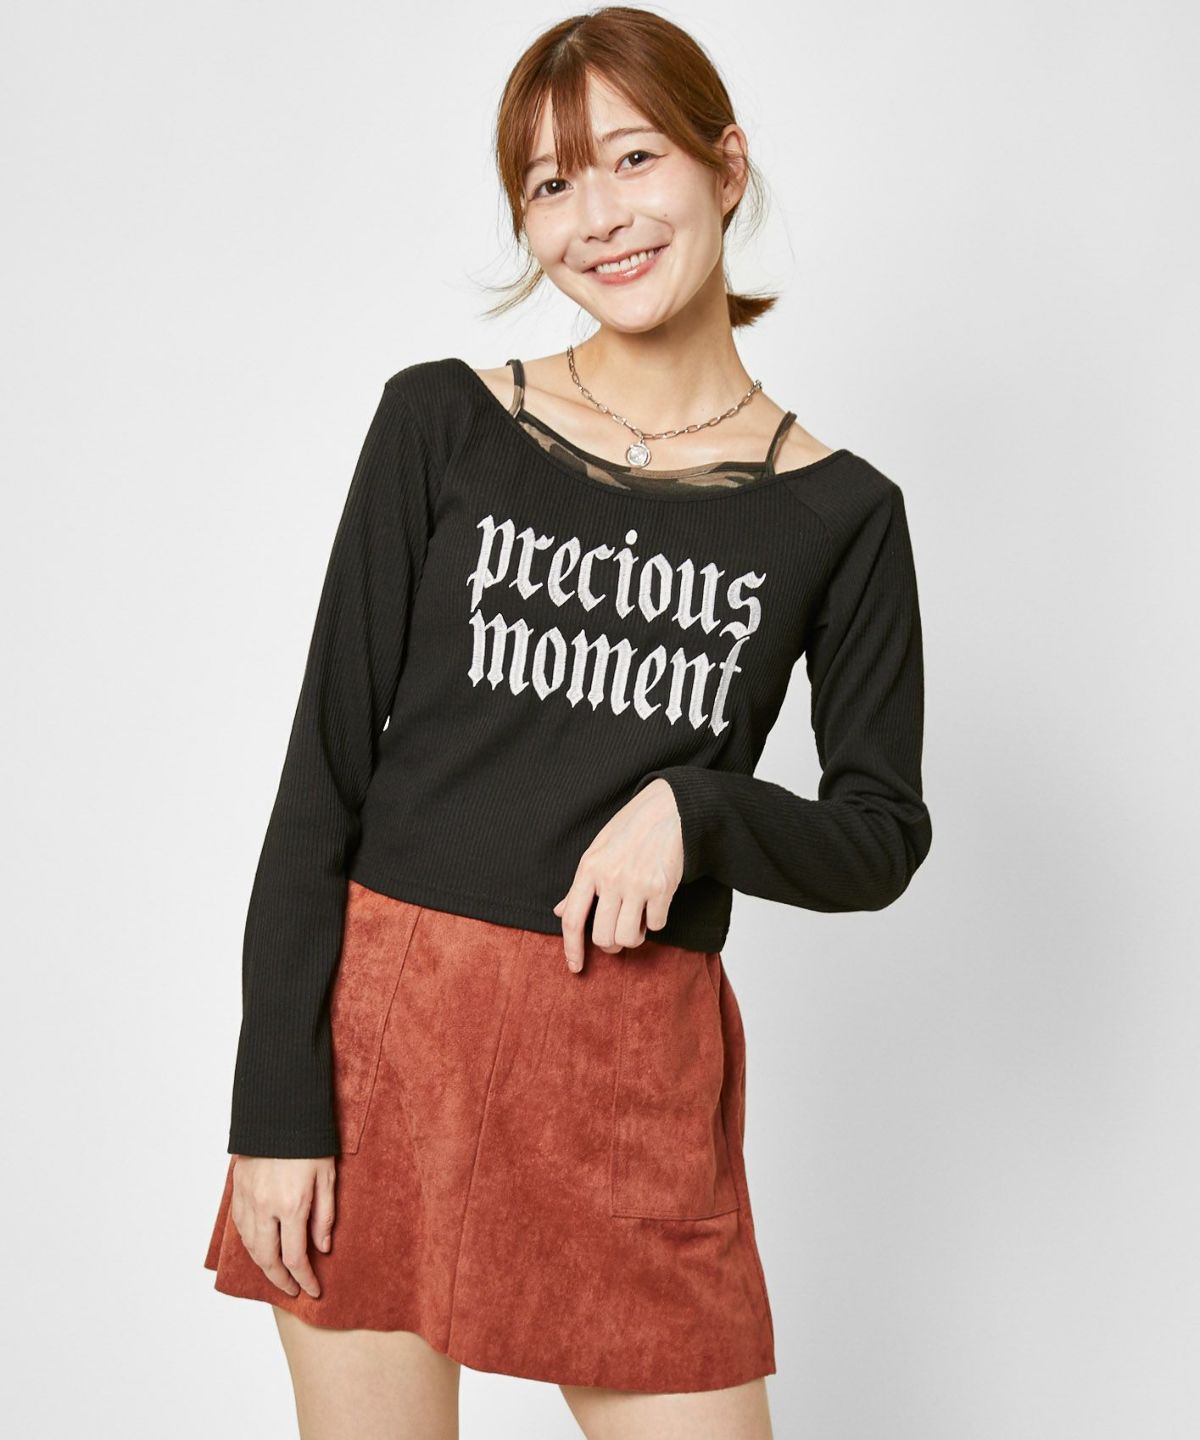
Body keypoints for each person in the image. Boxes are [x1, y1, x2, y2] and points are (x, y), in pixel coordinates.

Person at [202, 7, 933, 1438]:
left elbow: (880, 835)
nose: (597, 216)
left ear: (727, 167)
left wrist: (699, 809)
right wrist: (274, 1104)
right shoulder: (440, 425)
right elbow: (321, 779)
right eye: (549, 184)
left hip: (627, 1069)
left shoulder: (842, 514)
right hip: (388, 1048)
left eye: (633, 159)